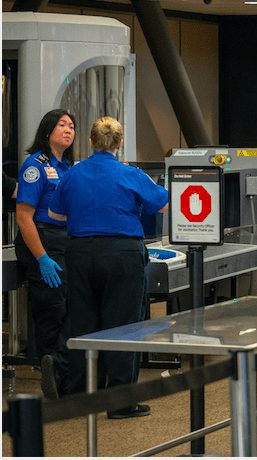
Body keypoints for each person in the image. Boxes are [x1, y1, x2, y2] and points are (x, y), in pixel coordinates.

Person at [48, 116, 168, 418]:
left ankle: (80, 396)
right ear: (119, 143)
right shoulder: (130, 173)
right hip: (122, 254)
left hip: (79, 253)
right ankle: (120, 402)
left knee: (82, 323)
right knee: (124, 326)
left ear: (89, 142)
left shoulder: (73, 175)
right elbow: (164, 203)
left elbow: (54, 213)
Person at [14, 109, 76, 399]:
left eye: (72, 126)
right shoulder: (34, 166)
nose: (68, 129)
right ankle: (51, 373)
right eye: (62, 124)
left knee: (69, 305)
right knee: (52, 307)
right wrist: (41, 258)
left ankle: (62, 372)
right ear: (47, 130)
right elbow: (24, 217)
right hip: (40, 239)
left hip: (64, 241)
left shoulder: (68, 168)